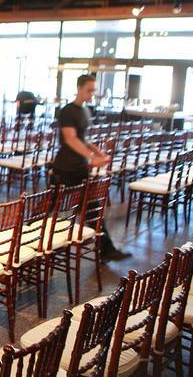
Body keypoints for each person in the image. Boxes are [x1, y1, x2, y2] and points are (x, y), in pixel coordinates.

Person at [51, 74, 131, 261]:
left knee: (92, 209)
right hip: (65, 168)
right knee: (48, 208)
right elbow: (70, 138)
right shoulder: (67, 111)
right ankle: (28, 242)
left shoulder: (85, 110)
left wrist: (98, 153)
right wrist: (91, 158)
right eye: (89, 90)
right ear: (79, 88)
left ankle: (106, 249)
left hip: (79, 168)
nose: (92, 94)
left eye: (94, 90)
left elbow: (83, 138)